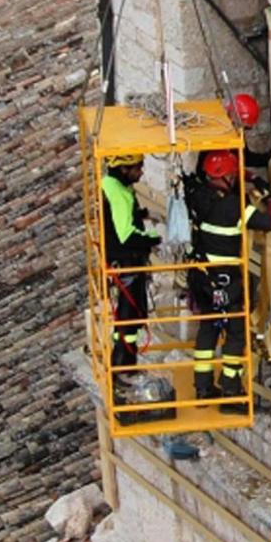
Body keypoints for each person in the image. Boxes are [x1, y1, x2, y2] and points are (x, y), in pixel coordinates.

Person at [185, 148, 271, 414]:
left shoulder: (198, 196)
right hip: (226, 279)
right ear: (226, 177)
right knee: (236, 332)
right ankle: (231, 390)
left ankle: (203, 387)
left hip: (202, 277)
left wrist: (247, 175)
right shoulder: (233, 206)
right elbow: (270, 222)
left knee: (208, 328)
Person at [100, 156, 161, 381]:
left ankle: (125, 365)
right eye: (138, 168)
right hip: (127, 262)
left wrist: (142, 215)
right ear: (124, 168)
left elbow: (119, 219)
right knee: (129, 317)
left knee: (129, 318)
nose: (142, 173)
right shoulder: (118, 193)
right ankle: (122, 367)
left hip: (122, 263)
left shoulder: (113, 184)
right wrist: (154, 240)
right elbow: (126, 235)